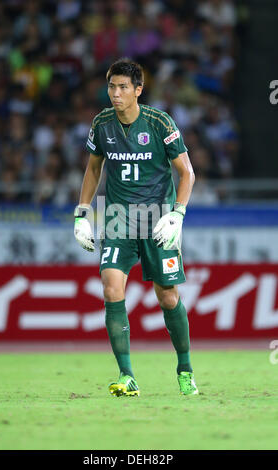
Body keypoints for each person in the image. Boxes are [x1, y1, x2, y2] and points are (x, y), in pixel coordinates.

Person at [74, 58, 199, 397]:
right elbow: (93, 169)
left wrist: (178, 214)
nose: (115, 93)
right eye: (111, 86)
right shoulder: (101, 123)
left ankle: (185, 368)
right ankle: (126, 374)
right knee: (112, 289)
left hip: (159, 217)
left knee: (168, 296)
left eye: (123, 87)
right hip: (116, 217)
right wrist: (82, 213)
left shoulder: (159, 122)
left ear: (138, 90)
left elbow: (187, 172)